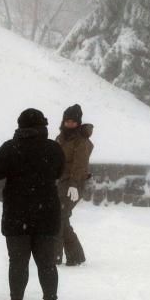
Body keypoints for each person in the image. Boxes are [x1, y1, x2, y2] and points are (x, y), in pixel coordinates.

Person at [0, 108, 65, 300]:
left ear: (20, 125)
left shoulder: (11, 147)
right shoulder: (54, 148)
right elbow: (59, 172)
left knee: (18, 261)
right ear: (43, 126)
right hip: (46, 212)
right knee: (47, 262)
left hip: (17, 213)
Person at [55, 104, 94, 266]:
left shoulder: (81, 141)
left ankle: (54, 256)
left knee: (59, 217)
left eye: (73, 121)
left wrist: (73, 184)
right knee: (61, 218)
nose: (70, 124)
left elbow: (80, 164)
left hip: (73, 184)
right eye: (67, 121)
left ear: (78, 123)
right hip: (60, 183)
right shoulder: (60, 138)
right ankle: (76, 256)